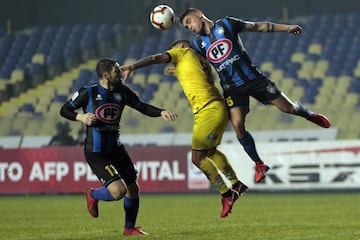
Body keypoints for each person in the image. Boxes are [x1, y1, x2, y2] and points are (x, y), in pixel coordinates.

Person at [179, 8, 331, 183]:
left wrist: (287, 28)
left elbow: (259, 26)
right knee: (237, 125)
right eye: (186, 26)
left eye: (189, 21)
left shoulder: (227, 24)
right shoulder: (198, 43)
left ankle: (308, 114)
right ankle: (259, 164)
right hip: (232, 88)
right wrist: (180, 71)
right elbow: (201, 66)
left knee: (287, 108)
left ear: (199, 14)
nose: (189, 27)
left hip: (254, 79)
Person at [120, 40, 248, 218]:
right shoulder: (200, 60)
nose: (170, 55)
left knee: (197, 158)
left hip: (208, 110)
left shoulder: (182, 52)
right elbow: (198, 79)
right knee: (210, 152)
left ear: (180, 47)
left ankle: (226, 194)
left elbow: (157, 58)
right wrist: (178, 72)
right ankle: (236, 184)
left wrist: (133, 66)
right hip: (218, 107)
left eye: (172, 50)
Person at [60, 58, 177, 236]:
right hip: (97, 152)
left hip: (116, 148)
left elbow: (141, 106)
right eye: (116, 70)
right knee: (118, 192)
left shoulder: (122, 91)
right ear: (106, 75)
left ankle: (129, 228)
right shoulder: (88, 92)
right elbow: (65, 110)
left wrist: (161, 112)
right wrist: (81, 118)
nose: (120, 72)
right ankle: (92, 194)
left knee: (133, 188)